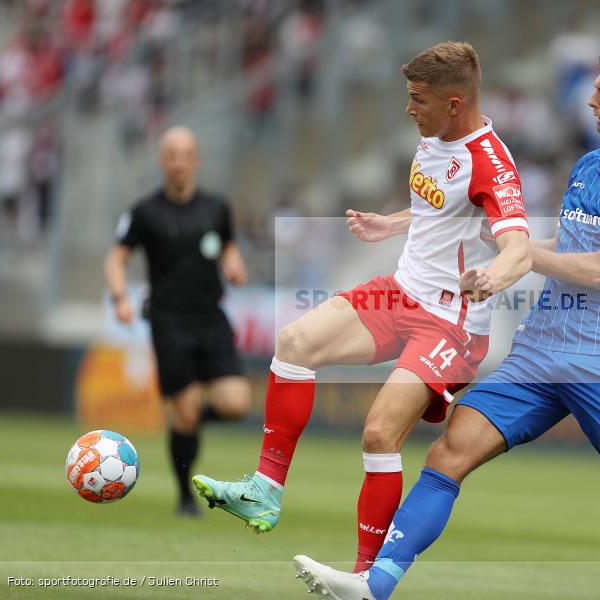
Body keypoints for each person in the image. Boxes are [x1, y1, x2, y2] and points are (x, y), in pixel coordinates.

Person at [291, 39, 600, 600]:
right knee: (448, 453)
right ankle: (374, 586)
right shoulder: (588, 166)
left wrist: (520, 253)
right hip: (541, 350)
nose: (590, 100)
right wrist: (503, 245)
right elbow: (562, 245)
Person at [192, 41, 531, 572]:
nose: (408, 108)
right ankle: (264, 488)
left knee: (378, 433)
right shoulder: (432, 135)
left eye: (418, 99)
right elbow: (438, 210)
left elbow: (519, 248)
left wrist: (492, 277)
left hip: (450, 323)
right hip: (400, 292)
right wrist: (391, 223)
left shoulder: (491, 163)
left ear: (455, 104)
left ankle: (365, 578)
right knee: (295, 343)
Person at [104, 126, 252, 517]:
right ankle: (185, 498)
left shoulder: (216, 207)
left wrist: (234, 265)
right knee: (186, 411)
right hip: (169, 321)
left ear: (196, 160)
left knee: (237, 404)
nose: (178, 162)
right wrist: (121, 298)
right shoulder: (144, 212)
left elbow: (229, 248)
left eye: (186, 155)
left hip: (210, 317)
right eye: (171, 155)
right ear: (161, 161)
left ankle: (182, 419)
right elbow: (116, 258)